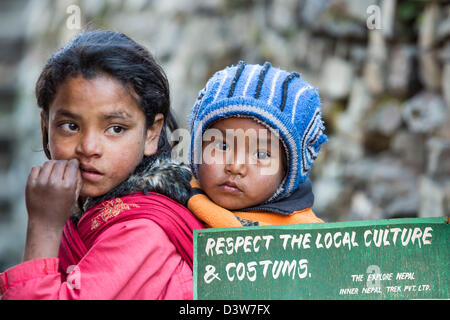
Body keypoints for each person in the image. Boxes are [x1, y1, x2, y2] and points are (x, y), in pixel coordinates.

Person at [0, 30, 203, 300]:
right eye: (70, 126)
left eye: (116, 129)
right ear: (44, 127)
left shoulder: (140, 231)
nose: (89, 147)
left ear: (152, 133)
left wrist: (44, 227)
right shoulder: (82, 208)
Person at [187, 61, 327, 227]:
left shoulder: (302, 239)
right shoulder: (170, 197)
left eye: (261, 154)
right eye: (222, 146)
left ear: (287, 171)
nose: (236, 166)